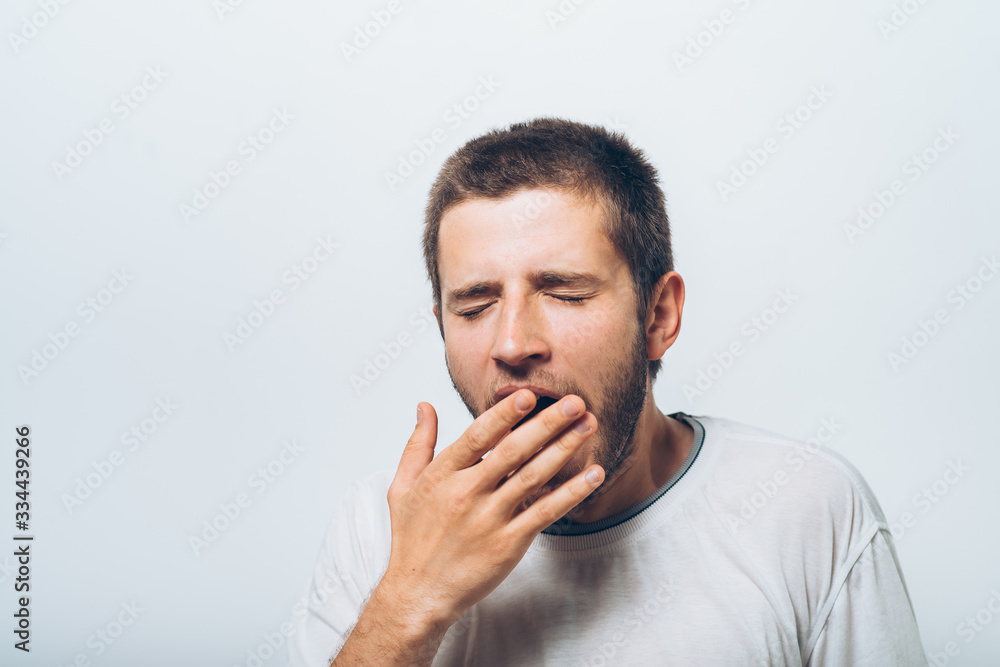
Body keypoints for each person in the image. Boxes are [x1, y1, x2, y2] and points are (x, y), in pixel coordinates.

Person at [289, 118, 927, 666]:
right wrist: (409, 602)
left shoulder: (806, 508)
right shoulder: (378, 531)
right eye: (475, 306)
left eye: (565, 293)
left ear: (658, 317)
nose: (512, 344)